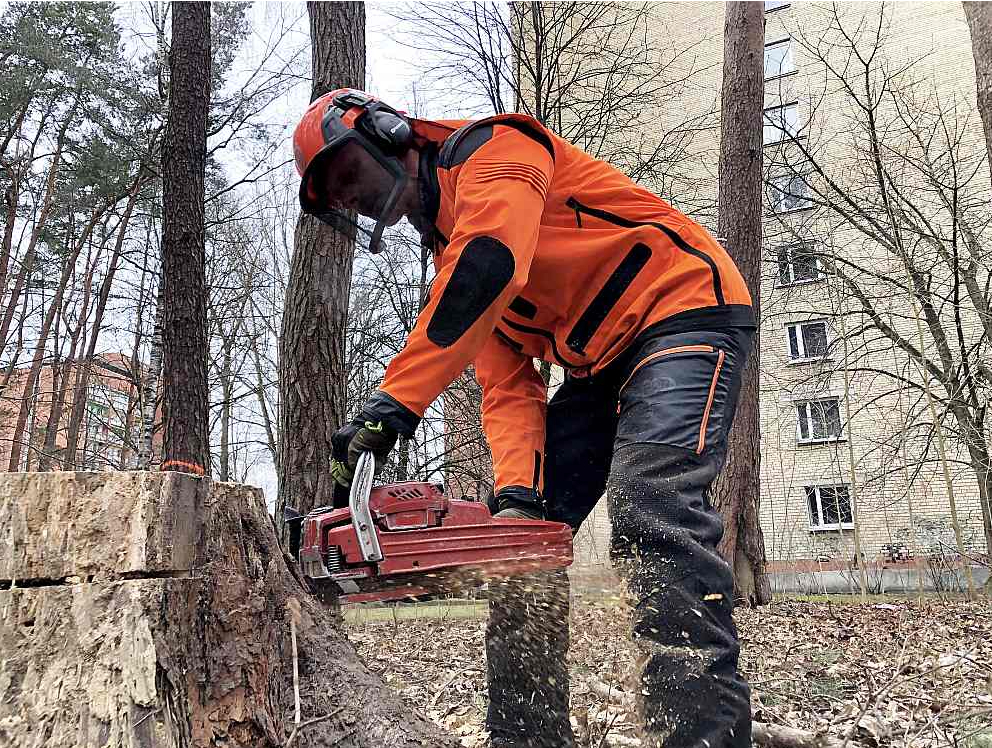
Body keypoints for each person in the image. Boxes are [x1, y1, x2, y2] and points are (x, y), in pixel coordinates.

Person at [293, 88, 755, 748]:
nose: (350, 196)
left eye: (346, 174)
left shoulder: (496, 152)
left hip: (683, 309)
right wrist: (517, 499)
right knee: (514, 542)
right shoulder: (447, 263)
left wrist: (394, 403)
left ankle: (702, 732)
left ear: (389, 132)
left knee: (653, 500)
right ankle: (525, 735)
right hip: (599, 364)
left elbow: (492, 263)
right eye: (335, 195)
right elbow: (509, 390)